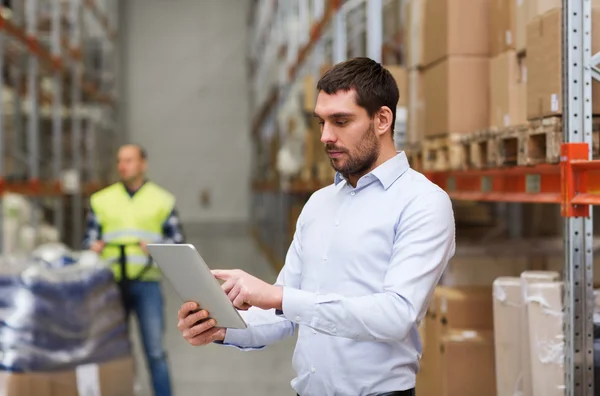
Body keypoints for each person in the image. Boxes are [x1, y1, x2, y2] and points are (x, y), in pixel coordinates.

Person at [177, 57, 456, 396]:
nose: (325, 136)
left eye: (341, 121)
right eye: (321, 122)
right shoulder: (319, 204)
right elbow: (284, 314)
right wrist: (221, 328)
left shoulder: (423, 202)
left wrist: (277, 296)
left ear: (382, 119)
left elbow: (396, 315)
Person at [83, 144, 184, 396]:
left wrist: (157, 248)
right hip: (110, 287)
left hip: (146, 284)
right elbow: (88, 239)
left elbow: (178, 243)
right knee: (112, 352)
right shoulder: (101, 200)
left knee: (155, 352)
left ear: (142, 164)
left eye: (128, 160)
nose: (122, 165)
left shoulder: (162, 200)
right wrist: (91, 246)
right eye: (119, 161)